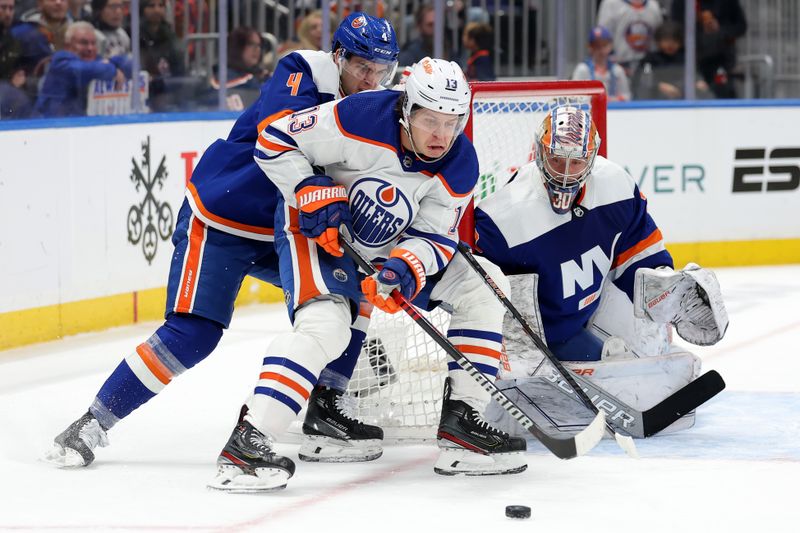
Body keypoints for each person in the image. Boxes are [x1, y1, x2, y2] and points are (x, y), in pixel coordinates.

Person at [44, 12, 399, 470]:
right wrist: (314, 187)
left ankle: (326, 409)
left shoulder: (382, 103)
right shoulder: (303, 70)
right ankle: (93, 422)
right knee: (195, 333)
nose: (370, 80)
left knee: (355, 292)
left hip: (288, 228)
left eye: (380, 70)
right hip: (224, 217)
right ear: (338, 56)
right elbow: (279, 136)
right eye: (361, 67)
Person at [209, 56, 525, 492]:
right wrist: (308, 188)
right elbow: (274, 139)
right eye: (431, 120)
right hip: (318, 232)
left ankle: (461, 423)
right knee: (327, 327)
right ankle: (250, 440)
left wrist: (404, 269)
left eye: (453, 122)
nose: (442, 136)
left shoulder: (460, 163)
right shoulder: (357, 116)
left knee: (483, 283)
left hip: (385, 248)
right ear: (406, 109)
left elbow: (436, 236)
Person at [473, 106, 728, 431]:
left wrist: (664, 287)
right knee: (509, 408)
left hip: (585, 318)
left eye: (576, 161)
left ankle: (623, 373)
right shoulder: (503, 217)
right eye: (557, 160)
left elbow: (641, 255)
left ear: (591, 158)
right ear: (539, 153)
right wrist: (509, 346)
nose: (566, 172)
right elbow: (473, 291)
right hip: (538, 337)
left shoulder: (616, 186)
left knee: (645, 348)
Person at [34, 20, 130, 116]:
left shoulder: (95, 61)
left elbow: (129, 64)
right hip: (53, 125)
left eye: (93, 43)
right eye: (83, 43)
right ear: (68, 46)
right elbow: (81, 70)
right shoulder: (60, 60)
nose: (90, 48)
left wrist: (116, 63)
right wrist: (112, 70)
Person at [670, 0, 747, 99]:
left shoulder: (728, 2)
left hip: (721, 59)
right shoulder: (682, 3)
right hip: (691, 60)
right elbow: (676, 28)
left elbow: (740, 26)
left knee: (723, 94)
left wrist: (720, 30)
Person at [633, 20, 712, 100]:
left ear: (680, 42)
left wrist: (698, 82)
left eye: (675, 41)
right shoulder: (649, 59)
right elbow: (644, 78)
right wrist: (659, 86)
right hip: (657, 99)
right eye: (666, 40)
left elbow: (695, 74)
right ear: (658, 41)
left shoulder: (686, 58)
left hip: (684, 97)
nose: (670, 44)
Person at [208, 27, 269, 110]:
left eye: (259, 45)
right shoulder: (223, 75)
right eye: (250, 44)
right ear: (237, 47)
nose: (257, 49)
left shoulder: (262, 76)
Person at [596, 0, 663, 74]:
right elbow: (603, 37)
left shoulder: (653, 5)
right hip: (619, 64)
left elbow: (658, 37)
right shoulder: (610, 3)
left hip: (648, 65)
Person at [572, 25, 631, 101]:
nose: (601, 50)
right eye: (596, 46)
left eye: (604, 45)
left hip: (615, 111)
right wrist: (596, 100)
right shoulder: (582, 69)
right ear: (590, 47)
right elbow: (574, 96)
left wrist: (612, 100)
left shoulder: (617, 70)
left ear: (610, 46)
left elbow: (626, 96)